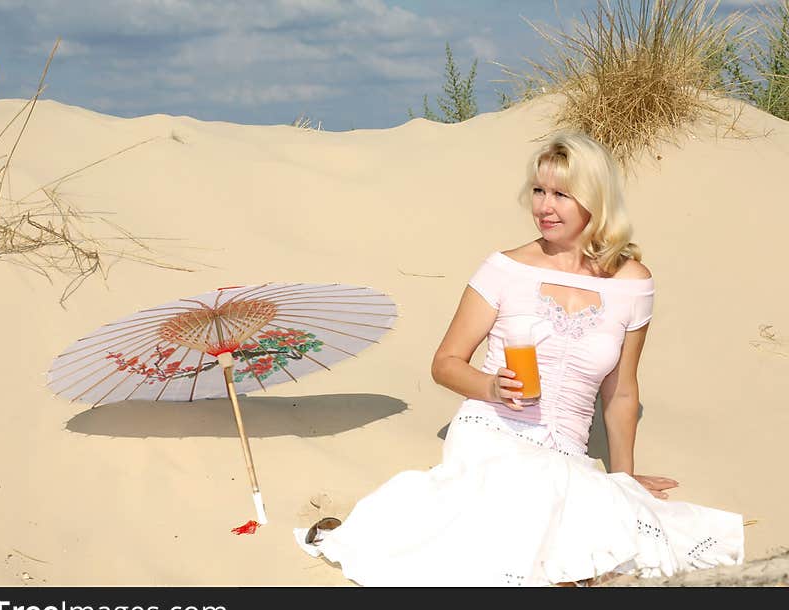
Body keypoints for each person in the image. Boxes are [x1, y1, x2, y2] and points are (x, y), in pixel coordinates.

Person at [296, 131, 744, 586]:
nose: (544, 207)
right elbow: (446, 362)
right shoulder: (505, 269)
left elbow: (622, 390)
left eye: (561, 194)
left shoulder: (633, 283)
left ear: (596, 200)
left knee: (603, 530)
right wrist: (490, 386)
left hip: (567, 447)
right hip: (493, 431)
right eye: (538, 191)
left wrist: (623, 482)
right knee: (534, 516)